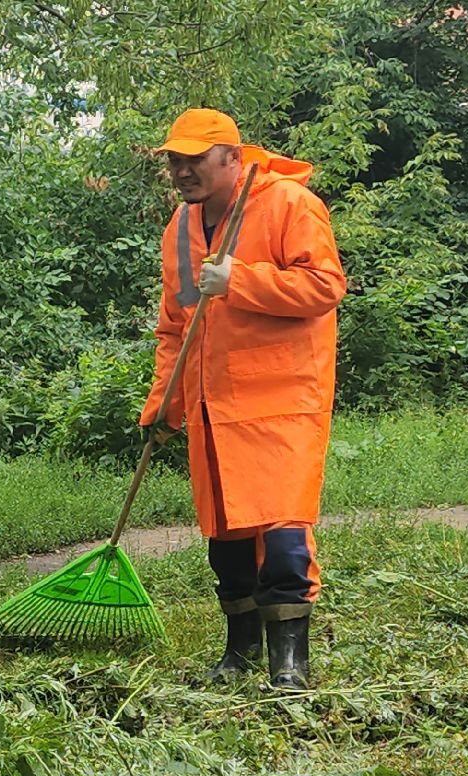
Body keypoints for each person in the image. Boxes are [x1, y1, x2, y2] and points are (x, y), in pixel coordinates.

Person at [140, 109, 347, 689]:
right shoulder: (179, 229)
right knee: (226, 536)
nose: (181, 171)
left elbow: (325, 286)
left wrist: (240, 279)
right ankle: (241, 651)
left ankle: (291, 662)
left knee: (282, 531)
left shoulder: (287, 203)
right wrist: (164, 406)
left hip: (282, 398)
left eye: (194, 159)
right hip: (212, 402)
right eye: (174, 161)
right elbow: (175, 328)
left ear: (232, 156)